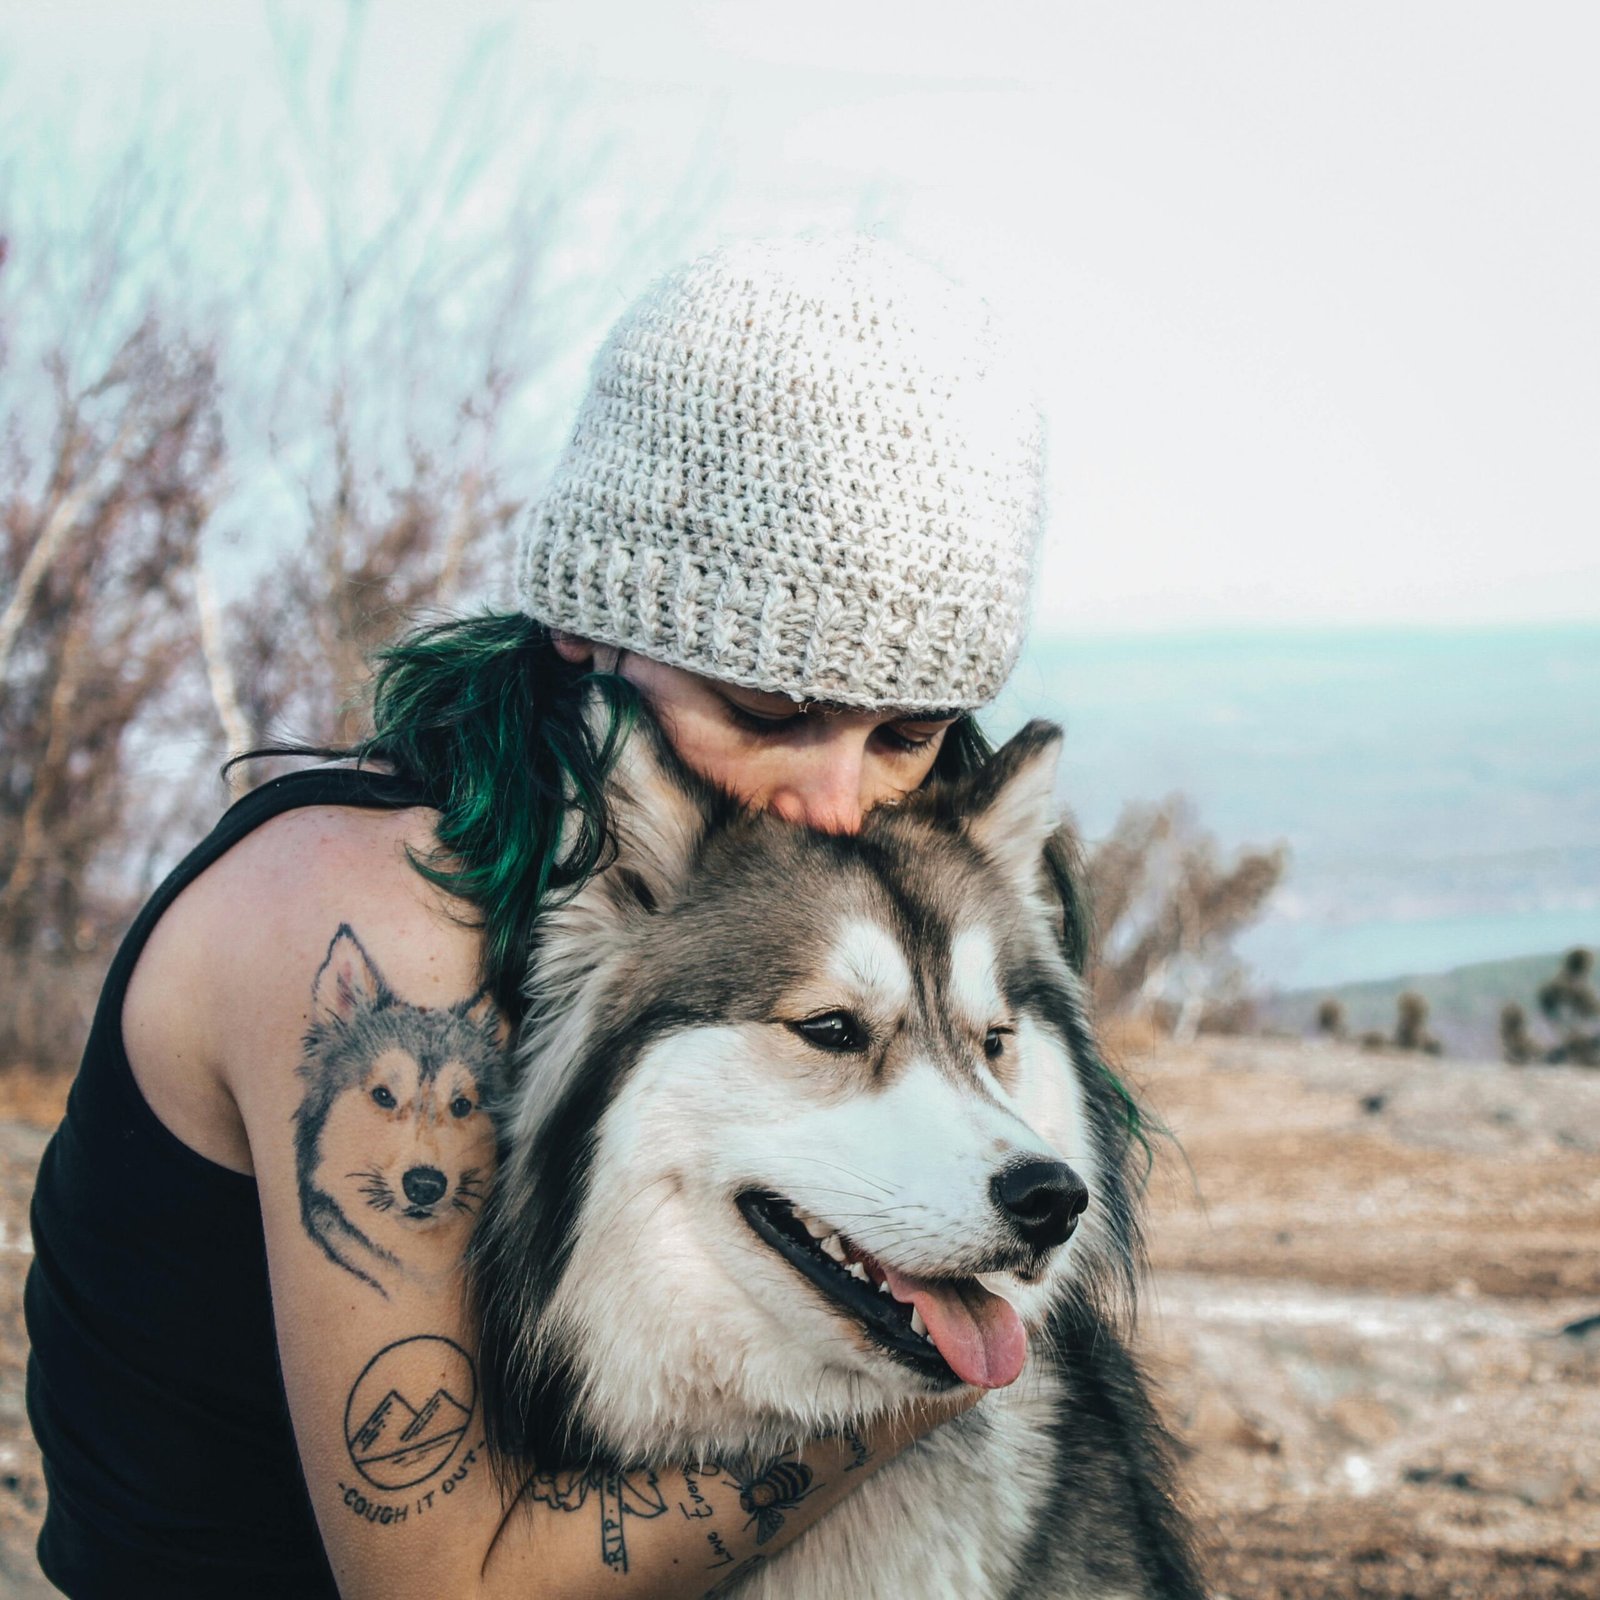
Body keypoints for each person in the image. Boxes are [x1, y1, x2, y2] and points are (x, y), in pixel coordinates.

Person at [25, 236, 1050, 1597]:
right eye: (767, 713)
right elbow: (447, 1586)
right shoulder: (382, 923)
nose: (840, 803)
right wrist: (934, 1363)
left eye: (907, 732)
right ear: (587, 624)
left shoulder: (771, 867)